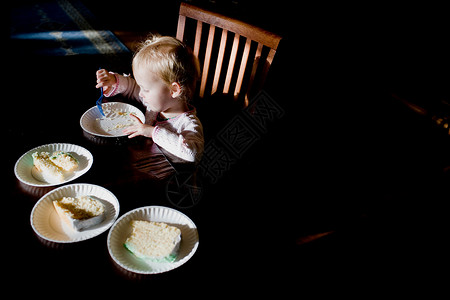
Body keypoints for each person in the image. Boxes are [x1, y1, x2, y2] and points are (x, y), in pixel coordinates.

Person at [95, 35, 203, 163]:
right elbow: (132, 87)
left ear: (173, 90)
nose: (141, 93)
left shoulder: (188, 124)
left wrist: (152, 132)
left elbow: (192, 153)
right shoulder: (156, 103)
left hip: (169, 179)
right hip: (143, 162)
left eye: (145, 89)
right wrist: (113, 81)